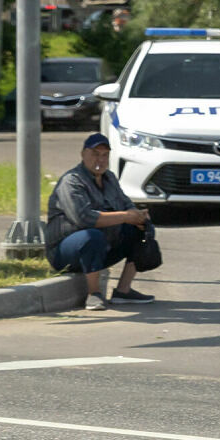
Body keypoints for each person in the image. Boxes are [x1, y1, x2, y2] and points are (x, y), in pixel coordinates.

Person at [45, 133, 157, 311]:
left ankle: (123, 291)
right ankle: (94, 294)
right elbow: (84, 219)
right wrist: (125, 216)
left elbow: (126, 204)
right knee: (92, 236)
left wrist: (139, 216)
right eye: (95, 154)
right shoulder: (71, 181)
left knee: (140, 228)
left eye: (105, 155)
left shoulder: (109, 178)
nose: (100, 159)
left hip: (102, 246)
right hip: (65, 251)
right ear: (83, 154)